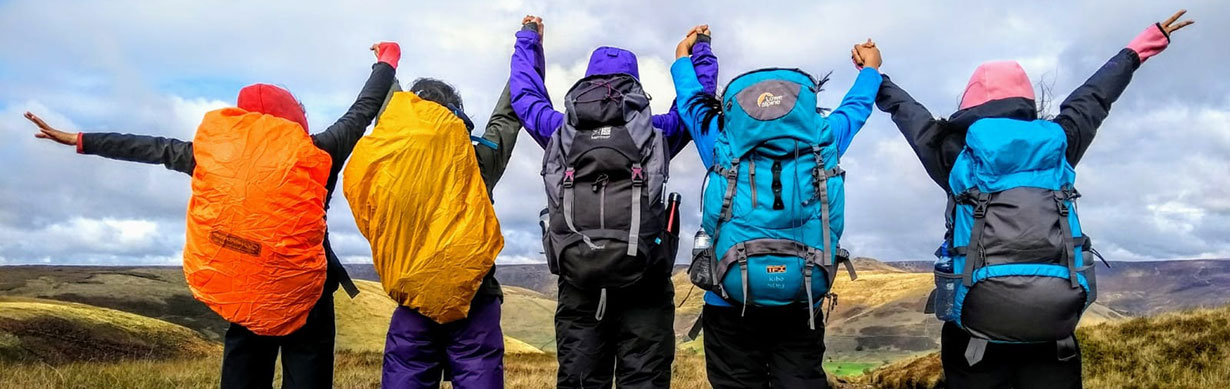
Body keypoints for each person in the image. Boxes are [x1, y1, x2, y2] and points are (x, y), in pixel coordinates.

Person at [25, 42, 401, 389]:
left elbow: (149, 148)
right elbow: (363, 109)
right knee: (307, 372)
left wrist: (80, 140)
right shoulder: (320, 150)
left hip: (243, 282)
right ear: (292, 117)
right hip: (306, 290)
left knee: (243, 371)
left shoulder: (210, 156)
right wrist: (386, 59)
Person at [873, 10, 1193, 389]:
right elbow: (1095, 97)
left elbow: (908, 113)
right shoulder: (1059, 143)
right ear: (1024, 101)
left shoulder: (952, 151)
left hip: (975, 328)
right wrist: (1140, 48)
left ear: (971, 103)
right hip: (1051, 327)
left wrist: (875, 75)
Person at [509, 16, 717, 388]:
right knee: (644, 380)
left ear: (587, 82)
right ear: (634, 86)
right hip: (645, 279)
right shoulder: (656, 132)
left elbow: (525, 97)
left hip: (579, 279)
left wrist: (530, 42)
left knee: (582, 380)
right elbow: (696, 107)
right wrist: (699, 50)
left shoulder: (561, 131)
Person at [672, 27, 883, 388]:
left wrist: (683, 57)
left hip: (728, 300)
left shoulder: (722, 141)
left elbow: (691, 102)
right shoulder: (823, 141)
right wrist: (871, 70)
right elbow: (856, 108)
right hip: (800, 298)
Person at [368, 76, 525, 388]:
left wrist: (387, 69)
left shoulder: (394, 165)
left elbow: (390, 111)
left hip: (414, 299)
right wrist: (528, 54)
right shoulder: (477, 161)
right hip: (475, 301)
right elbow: (505, 120)